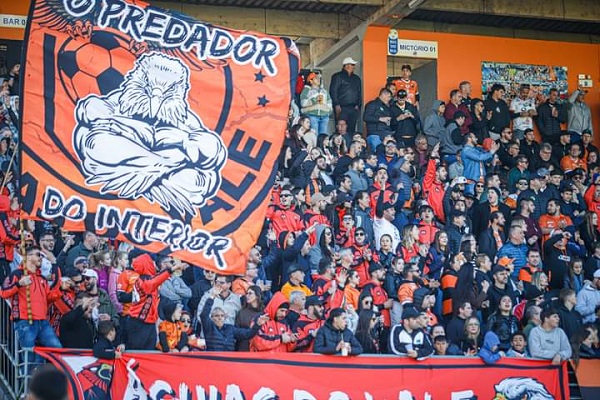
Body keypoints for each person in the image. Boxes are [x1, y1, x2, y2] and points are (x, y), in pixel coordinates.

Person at [201, 286, 269, 351]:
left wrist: (258, 324)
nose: (220, 318)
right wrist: (212, 297)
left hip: (229, 358)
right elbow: (204, 315)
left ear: (225, 318)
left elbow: (248, 334)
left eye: (222, 316)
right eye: (217, 316)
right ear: (212, 318)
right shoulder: (209, 327)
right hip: (214, 358)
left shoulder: (230, 329)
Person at [329, 57, 362, 133]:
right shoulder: (337, 76)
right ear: (346, 66)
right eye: (352, 64)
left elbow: (359, 92)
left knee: (352, 129)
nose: (354, 66)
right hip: (341, 107)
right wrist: (336, 104)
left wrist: (358, 105)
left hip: (353, 108)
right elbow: (333, 91)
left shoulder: (357, 78)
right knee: (340, 129)